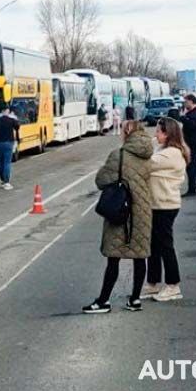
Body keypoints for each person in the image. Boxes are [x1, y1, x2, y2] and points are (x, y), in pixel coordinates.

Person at [83, 121, 154, 313]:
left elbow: (101, 180)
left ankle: (103, 301)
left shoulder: (119, 155)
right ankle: (135, 299)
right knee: (140, 256)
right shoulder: (148, 155)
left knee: (113, 257)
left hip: (121, 210)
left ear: (127, 132)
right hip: (142, 210)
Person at [142, 117, 188, 302]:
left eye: (159, 132)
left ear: (168, 133)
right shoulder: (164, 150)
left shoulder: (171, 153)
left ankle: (173, 284)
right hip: (157, 203)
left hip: (165, 205)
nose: (156, 134)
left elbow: (146, 163)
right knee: (154, 246)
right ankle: (153, 283)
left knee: (165, 246)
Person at [0, 108, 20, 190]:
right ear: (7, 111)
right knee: (7, 163)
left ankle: (2, 180)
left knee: (1, 162)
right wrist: (14, 118)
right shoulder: (11, 120)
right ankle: (6, 182)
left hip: (0, 143)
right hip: (8, 143)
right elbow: (17, 127)